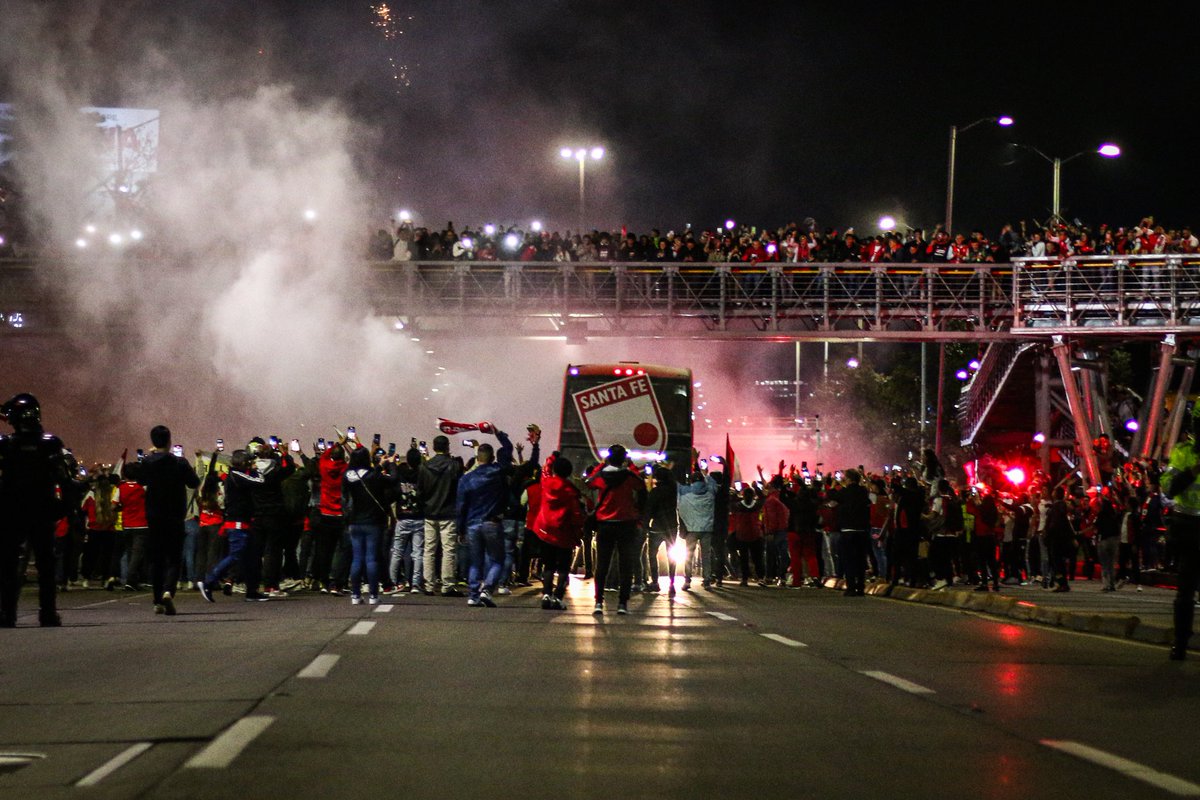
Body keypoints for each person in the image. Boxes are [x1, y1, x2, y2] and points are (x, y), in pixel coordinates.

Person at [0, 393, 72, 627]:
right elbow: (65, 478)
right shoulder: (50, 443)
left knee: (9, 565)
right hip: (42, 510)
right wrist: (65, 507)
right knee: (45, 565)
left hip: (13, 511)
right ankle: (47, 613)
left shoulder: (7, 444)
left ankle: (7, 613)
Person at [139, 425, 201, 615]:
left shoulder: (148, 463)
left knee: (157, 559)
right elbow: (194, 482)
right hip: (175, 516)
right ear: (169, 440)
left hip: (154, 517)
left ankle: (157, 600)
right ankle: (168, 591)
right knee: (174, 558)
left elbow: (141, 480)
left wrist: (148, 458)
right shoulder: (180, 463)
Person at [455, 429, 514, 607]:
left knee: (475, 562)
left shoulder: (466, 479)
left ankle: (472, 595)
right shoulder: (497, 471)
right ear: (492, 458)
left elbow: (460, 506)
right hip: (492, 522)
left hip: (472, 524)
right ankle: (487, 590)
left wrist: (460, 529)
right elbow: (508, 448)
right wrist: (498, 433)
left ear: (478, 457)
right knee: (497, 560)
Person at [585, 444, 647, 615]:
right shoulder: (629, 476)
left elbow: (588, 481)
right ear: (624, 459)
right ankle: (622, 603)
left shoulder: (601, 476)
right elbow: (642, 488)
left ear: (609, 458)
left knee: (602, 564)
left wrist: (602, 464)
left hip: (605, 524)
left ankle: (598, 601)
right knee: (625, 564)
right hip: (626, 524)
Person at [1162, 410, 1200, 660]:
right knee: (1185, 591)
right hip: (1189, 530)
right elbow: (1168, 487)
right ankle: (1181, 640)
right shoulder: (1183, 452)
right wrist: (1192, 471)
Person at [342, 446, 398, 605]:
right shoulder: (374, 476)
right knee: (372, 558)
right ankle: (373, 595)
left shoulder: (347, 475)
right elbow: (392, 479)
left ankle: (355, 595)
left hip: (354, 521)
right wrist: (391, 464)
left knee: (357, 558)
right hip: (373, 521)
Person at [533, 454, 583, 610]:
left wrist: (550, 459)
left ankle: (546, 593)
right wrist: (579, 530)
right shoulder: (570, 490)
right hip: (564, 534)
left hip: (546, 531)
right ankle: (558, 597)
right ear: (569, 472)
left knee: (548, 566)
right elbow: (576, 515)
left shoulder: (546, 483)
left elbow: (545, 472)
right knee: (563, 568)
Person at [419, 435, 464, 597]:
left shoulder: (425, 466)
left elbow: (421, 491)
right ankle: (447, 585)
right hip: (448, 512)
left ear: (433, 446)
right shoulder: (454, 466)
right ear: (447, 447)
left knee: (429, 550)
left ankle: (429, 585)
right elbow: (459, 490)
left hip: (430, 513)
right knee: (448, 550)